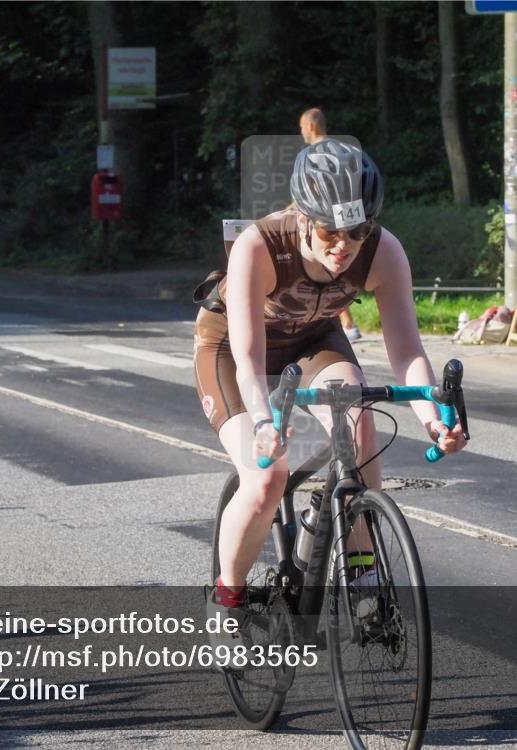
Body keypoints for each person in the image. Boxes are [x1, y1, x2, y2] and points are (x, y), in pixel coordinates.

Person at [193, 139, 467, 655]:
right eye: (328, 232)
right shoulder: (259, 246)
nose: (344, 246)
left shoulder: (384, 251)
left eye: (357, 232)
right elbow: (250, 358)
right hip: (232, 352)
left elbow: (406, 347)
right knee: (266, 477)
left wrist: (434, 418)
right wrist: (263, 422)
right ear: (301, 217)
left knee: (360, 423)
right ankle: (226, 600)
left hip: (311, 340)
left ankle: (363, 584)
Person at [299, 108, 362, 342]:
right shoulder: (341, 149)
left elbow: (310, 190)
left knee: (323, 270)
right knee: (332, 270)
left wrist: (288, 211)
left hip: (324, 220)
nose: (301, 132)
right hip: (348, 217)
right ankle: (345, 323)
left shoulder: (314, 152)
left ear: (311, 126)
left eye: (302, 127)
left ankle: (344, 323)